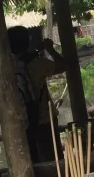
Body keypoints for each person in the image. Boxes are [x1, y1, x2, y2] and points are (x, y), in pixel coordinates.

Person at [8, 26, 67, 162]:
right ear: (28, 42)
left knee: (32, 161)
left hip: (21, 124)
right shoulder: (36, 63)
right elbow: (63, 66)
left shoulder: (8, 66)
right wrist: (50, 49)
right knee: (54, 161)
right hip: (44, 120)